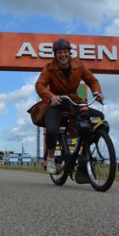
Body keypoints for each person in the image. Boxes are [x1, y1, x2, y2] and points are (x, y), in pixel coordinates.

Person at [28, 38, 104, 174]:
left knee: (99, 118)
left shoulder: (79, 65)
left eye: (65, 52)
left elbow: (91, 79)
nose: (63, 55)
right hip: (55, 103)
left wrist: (97, 92)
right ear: (55, 55)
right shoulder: (49, 68)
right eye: (59, 53)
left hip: (73, 101)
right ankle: (50, 158)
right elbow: (39, 85)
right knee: (51, 129)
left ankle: (85, 152)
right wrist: (51, 96)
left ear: (69, 53)